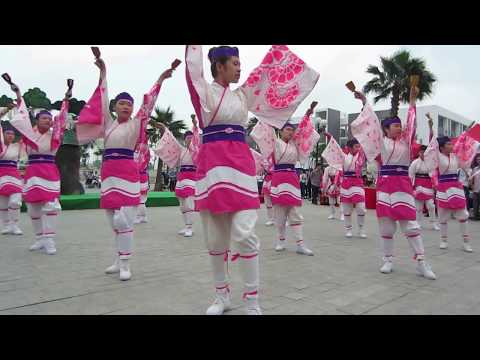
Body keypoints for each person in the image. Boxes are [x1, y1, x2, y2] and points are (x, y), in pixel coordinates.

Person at [186, 44, 319, 315]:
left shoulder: (242, 96)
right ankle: (221, 297)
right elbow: (193, 71)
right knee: (215, 239)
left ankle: (251, 300)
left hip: (240, 167)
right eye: (234, 63)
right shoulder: (204, 94)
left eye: (239, 62)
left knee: (244, 234)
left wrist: (306, 112)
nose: (239, 67)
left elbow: (267, 74)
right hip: (212, 168)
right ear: (219, 66)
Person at [76, 51, 174, 280]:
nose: (126, 107)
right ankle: (117, 259)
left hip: (128, 174)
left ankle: (126, 263)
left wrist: (160, 79)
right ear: (115, 106)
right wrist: (103, 72)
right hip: (109, 173)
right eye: (122, 104)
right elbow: (102, 97)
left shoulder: (135, 124)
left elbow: (149, 104)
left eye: (129, 105)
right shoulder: (107, 123)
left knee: (124, 219)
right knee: (113, 220)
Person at [350, 86, 436, 280]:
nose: (399, 127)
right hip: (385, 188)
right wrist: (364, 101)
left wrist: (412, 101)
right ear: (386, 130)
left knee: (411, 226)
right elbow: (370, 123)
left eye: (399, 125)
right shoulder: (381, 142)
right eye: (394, 125)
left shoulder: (407, 143)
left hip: (403, 187)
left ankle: (421, 262)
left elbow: (411, 124)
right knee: (386, 227)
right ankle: (388, 260)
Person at [9, 80, 70, 255]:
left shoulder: (55, 134)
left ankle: (49, 240)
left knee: (51, 205)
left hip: (49, 171)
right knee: (33, 207)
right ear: (37, 120)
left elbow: (63, 117)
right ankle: (39, 239)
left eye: (50, 119)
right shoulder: (28, 134)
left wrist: (66, 98)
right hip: (32, 172)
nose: (48, 121)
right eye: (44, 118)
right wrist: (18, 93)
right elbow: (21, 115)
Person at [253, 107, 319, 255]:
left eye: (291, 130)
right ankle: (280, 240)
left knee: (294, 212)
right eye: (287, 129)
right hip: (279, 178)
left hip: (292, 178)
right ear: (280, 131)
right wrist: (269, 115)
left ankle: (300, 244)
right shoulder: (274, 143)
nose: (290, 132)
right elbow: (267, 130)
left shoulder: (295, 144)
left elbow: (303, 131)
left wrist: (308, 114)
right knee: (280, 213)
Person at [424, 127, 478, 252]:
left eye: (451, 143)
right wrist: (431, 127)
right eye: (448, 144)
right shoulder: (437, 155)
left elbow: (465, 165)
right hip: (443, 187)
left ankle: (466, 242)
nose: (451, 145)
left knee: (463, 215)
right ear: (442, 147)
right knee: (443, 215)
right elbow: (432, 146)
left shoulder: (455, 156)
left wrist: (470, 175)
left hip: (456, 186)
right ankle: (443, 240)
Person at [154, 115, 199, 238]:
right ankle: (186, 226)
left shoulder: (196, 150)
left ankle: (190, 227)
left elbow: (197, 135)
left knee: (189, 203)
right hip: (181, 178)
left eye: (191, 138)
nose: (189, 140)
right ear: (184, 140)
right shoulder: (181, 149)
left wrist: (195, 124)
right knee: (182, 204)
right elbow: (171, 139)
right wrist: (163, 128)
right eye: (187, 138)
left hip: (191, 177)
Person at [322, 135, 367, 238]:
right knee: (347, 209)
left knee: (361, 207)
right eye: (356, 146)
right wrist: (330, 138)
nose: (358, 148)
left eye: (358, 146)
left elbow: (366, 144)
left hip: (358, 183)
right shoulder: (344, 157)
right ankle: (348, 229)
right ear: (350, 148)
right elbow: (336, 148)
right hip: (346, 184)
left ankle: (361, 229)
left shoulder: (361, 155)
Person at [0, 106, 25, 235]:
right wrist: (5, 110)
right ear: (2, 134)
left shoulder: (18, 146)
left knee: (15, 201)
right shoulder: (1, 146)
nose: (10, 136)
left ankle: (15, 225)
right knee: (2, 204)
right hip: (1, 175)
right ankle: (6, 226)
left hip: (14, 175)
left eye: (12, 134)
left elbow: (28, 135)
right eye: (7, 133)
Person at [133, 139, 150, 224]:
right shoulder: (144, 154)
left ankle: (139, 217)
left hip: (139, 177)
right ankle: (143, 217)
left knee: (140, 199)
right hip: (143, 177)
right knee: (142, 199)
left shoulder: (141, 154)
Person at [260, 155, 274, 226]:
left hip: (276, 178)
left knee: (278, 200)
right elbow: (261, 167)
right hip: (267, 178)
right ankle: (271, 219)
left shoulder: (278, 153)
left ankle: (283, 219)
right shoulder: (265, 155)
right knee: (267, 200)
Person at [470, 153, 480, 220]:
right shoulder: (475, 169)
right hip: (476, 188)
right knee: (475, 202)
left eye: (479, 159)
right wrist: (472, 185)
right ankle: (475, 215)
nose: (479, 160)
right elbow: (471, 179)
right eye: (477, 159)